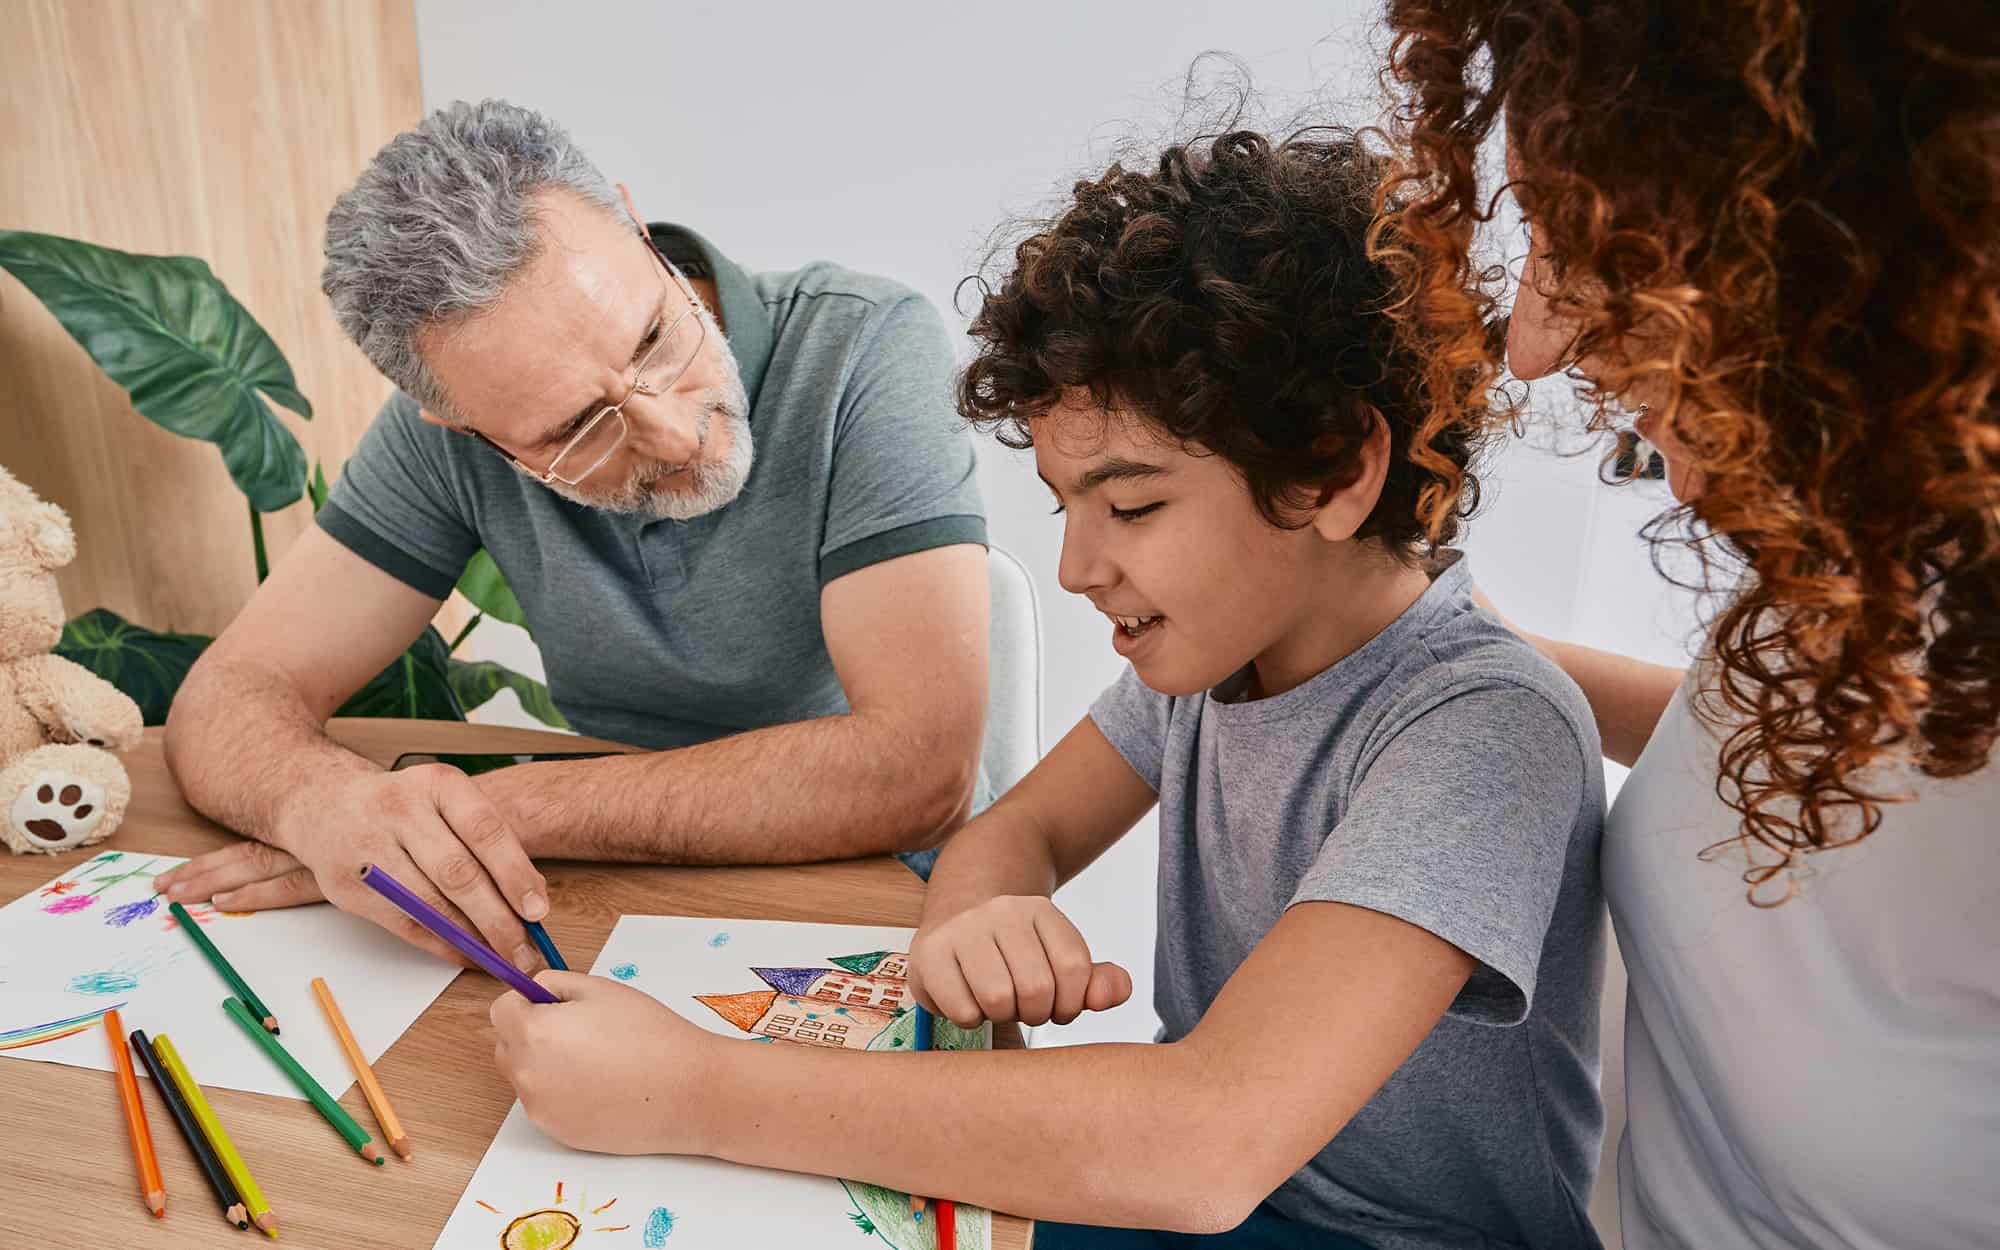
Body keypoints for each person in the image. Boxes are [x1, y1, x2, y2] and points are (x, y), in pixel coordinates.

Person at [487, 130, 1609, 1250]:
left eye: (1128, 508)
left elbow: (1204, 1141)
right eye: (1064, 506)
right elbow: (1014, 826)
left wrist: (695, 1088)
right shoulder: (1219, 664)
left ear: (1329, 468)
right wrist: (988, 909)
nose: (1075, 568)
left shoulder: (1478, 729)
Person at [1374, 3, 2000, 1246]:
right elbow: (1847, 799)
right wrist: (1446, 637)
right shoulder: (1868, 554)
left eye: (1581, 237)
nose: (1536, 346)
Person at [156, 99, 991, 976]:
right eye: (576, 429)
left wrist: (483, 818)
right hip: (606, 898)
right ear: (460, 424)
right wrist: (323, 805)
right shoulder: (441, 439)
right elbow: (229, 696)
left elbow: (918, 768)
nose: (674, 434)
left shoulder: (863, 344)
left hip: (887, 898)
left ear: (634, 224)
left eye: (656, 338)